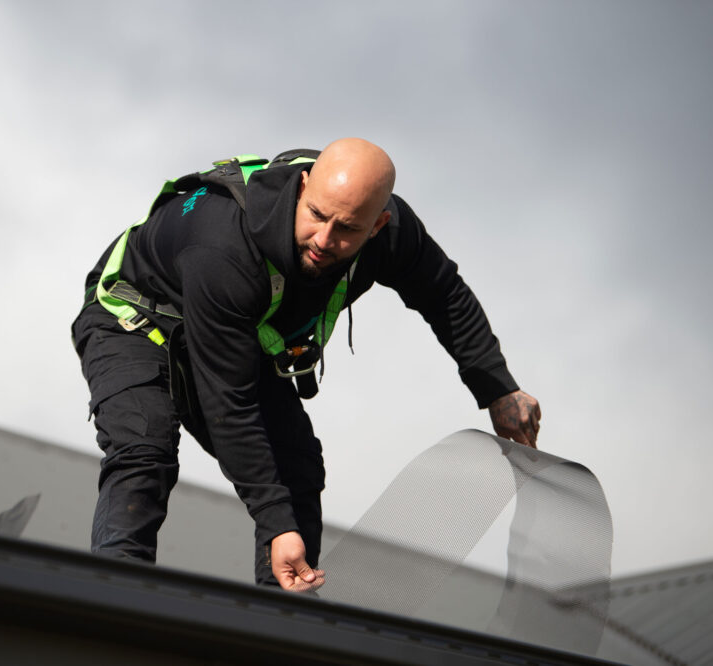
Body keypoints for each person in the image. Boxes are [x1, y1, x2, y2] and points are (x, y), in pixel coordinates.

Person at [71, 138, 541, 592]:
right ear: (301, 188)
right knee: (145, 448)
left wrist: (497, 389)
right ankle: (115, 597)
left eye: (347, 230)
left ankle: (280, 625)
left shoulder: (394, 233)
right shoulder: (224, 246)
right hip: (132, 316)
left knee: (294, 469)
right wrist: (275, 525)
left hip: (231, 333)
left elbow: (445, 296)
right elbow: (229, 405)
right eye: (317, 215)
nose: (324, 239)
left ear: (376, 225)